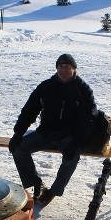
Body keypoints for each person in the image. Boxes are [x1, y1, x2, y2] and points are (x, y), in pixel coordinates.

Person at [9, 54, 98, 208]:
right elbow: (29, 110)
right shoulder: (46, 86)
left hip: (68, 136)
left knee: (71, 159)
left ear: (74, 69)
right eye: (60, 66)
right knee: (18, 149)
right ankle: (37, 183)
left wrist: (76, 142)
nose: (63, 70)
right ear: (56, 68)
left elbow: (88, 119)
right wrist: (18, 133)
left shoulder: (82, 89)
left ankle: (53, 191)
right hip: (46, 133)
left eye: (67, 67)